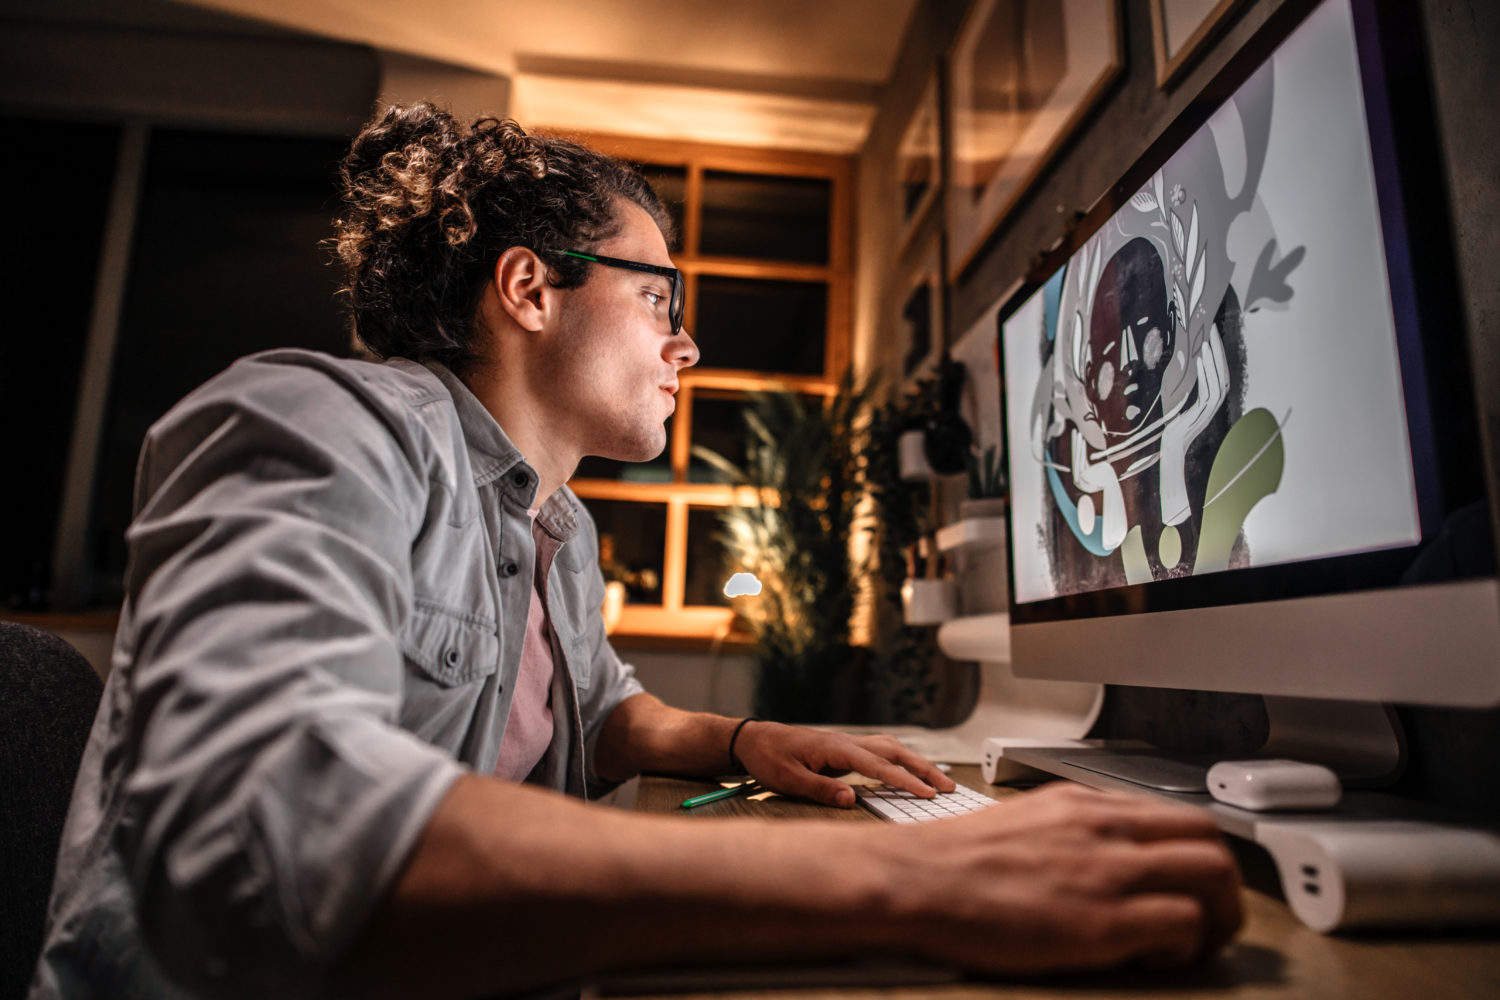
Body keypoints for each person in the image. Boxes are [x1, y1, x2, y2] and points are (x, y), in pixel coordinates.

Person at [31, 105, 1242, 1000]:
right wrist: (929, 885)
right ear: (530, 288)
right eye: (661, 296)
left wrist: (739, 738)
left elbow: (597, 710)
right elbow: (268, 828)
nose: (688, 344)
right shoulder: (321, 427)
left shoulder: (559, 530)